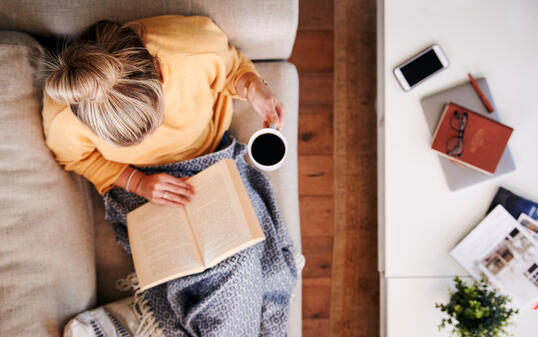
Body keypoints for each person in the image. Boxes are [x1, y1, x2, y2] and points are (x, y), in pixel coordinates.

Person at [42, 15, 286, 206]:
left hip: (210, 153)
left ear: (157, 71)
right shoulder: (63, 118)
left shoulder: (193, 49)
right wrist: (138, 183)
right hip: (139, 179)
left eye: (152, 125)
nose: (148, 140)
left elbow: (232, 69)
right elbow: (77, 159)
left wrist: (253, 87)